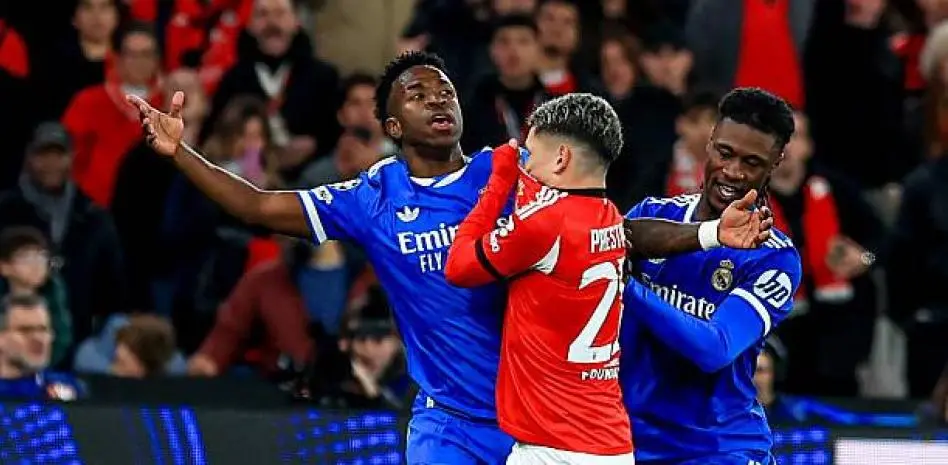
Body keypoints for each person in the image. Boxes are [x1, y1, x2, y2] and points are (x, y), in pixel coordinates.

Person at [127, 51, 772, 464]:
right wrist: (181, 152)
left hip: (537, 423)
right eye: (418, 94)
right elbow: (257, 207)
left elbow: (609, 231)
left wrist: (708, 235)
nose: (439, 100)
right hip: (448, 424)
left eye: (446, 91)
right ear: (392, 127)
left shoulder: (514, 174)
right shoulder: (373, 196)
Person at [445, 94, 633, 463]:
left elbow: (458, 267)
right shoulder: (610, 216)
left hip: (553, 448)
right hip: (610, 443)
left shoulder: (546, 223)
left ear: (561, 158)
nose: (525, 166)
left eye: (530, 155)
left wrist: (500, 181)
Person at [619, 87, 803, 465]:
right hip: (629, 441)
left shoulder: (774, 258)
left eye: (752, 162)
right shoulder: (654, 215)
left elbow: (713, 348)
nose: (733, 172)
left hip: (717, 448)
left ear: (776, 162)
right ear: (710, 140)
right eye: (725, 153)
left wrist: (629, 287)